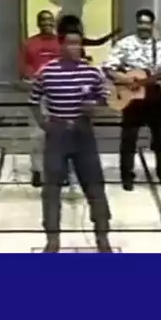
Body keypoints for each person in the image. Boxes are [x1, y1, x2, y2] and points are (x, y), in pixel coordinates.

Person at [29, 28, 112, 253]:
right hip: (57, 132)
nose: (75, 48)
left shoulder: (92, 72)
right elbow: (33, 100)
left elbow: (105, 100)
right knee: (51, 188)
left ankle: (102, 235)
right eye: (70, 43)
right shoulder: (47, 72)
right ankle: (52, 238)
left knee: (95, 185)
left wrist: (94, 106)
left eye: (78, 43)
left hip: (83, 131)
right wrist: (44, 124)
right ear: (61, 45)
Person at [103, 9, 161, 192]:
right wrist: (127, 80)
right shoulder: (125, 44)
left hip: (154, 95)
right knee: (129, 138)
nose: (144, 26)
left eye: (147, 23)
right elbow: (108, 69)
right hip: (132, 96)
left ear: (152, 25)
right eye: (141, 22)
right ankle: (126, 175)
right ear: (137, 23)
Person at [18, 10, 61, 187]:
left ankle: (59, 171)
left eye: (50, 20)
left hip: (59, 93)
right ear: (38, 23)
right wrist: (33, 76)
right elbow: (23, 67)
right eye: (43, 20)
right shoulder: (29, 43)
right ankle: (37, 171)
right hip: (38, 93)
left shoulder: (61, 42)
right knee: (38, 134)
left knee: (60, 134)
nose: (47, 23)